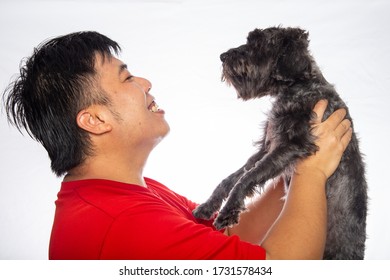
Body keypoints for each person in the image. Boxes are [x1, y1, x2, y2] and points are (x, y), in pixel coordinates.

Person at [3, 31, 352, 260]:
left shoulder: (128, 193)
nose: (145, 82)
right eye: (126, 77)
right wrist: (310, 169)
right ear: (94, 120)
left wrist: (286, 163)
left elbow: (229, 236)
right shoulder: (124, 224)